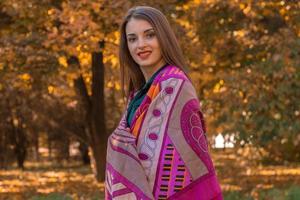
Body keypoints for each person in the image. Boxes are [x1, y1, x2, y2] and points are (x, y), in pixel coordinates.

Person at [105, 6, 222, 200]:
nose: (140, 45)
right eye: (132, 39)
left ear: (163, 38)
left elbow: (183, 160)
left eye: (149, 35)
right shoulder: (137, 94)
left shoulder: (175, 86)